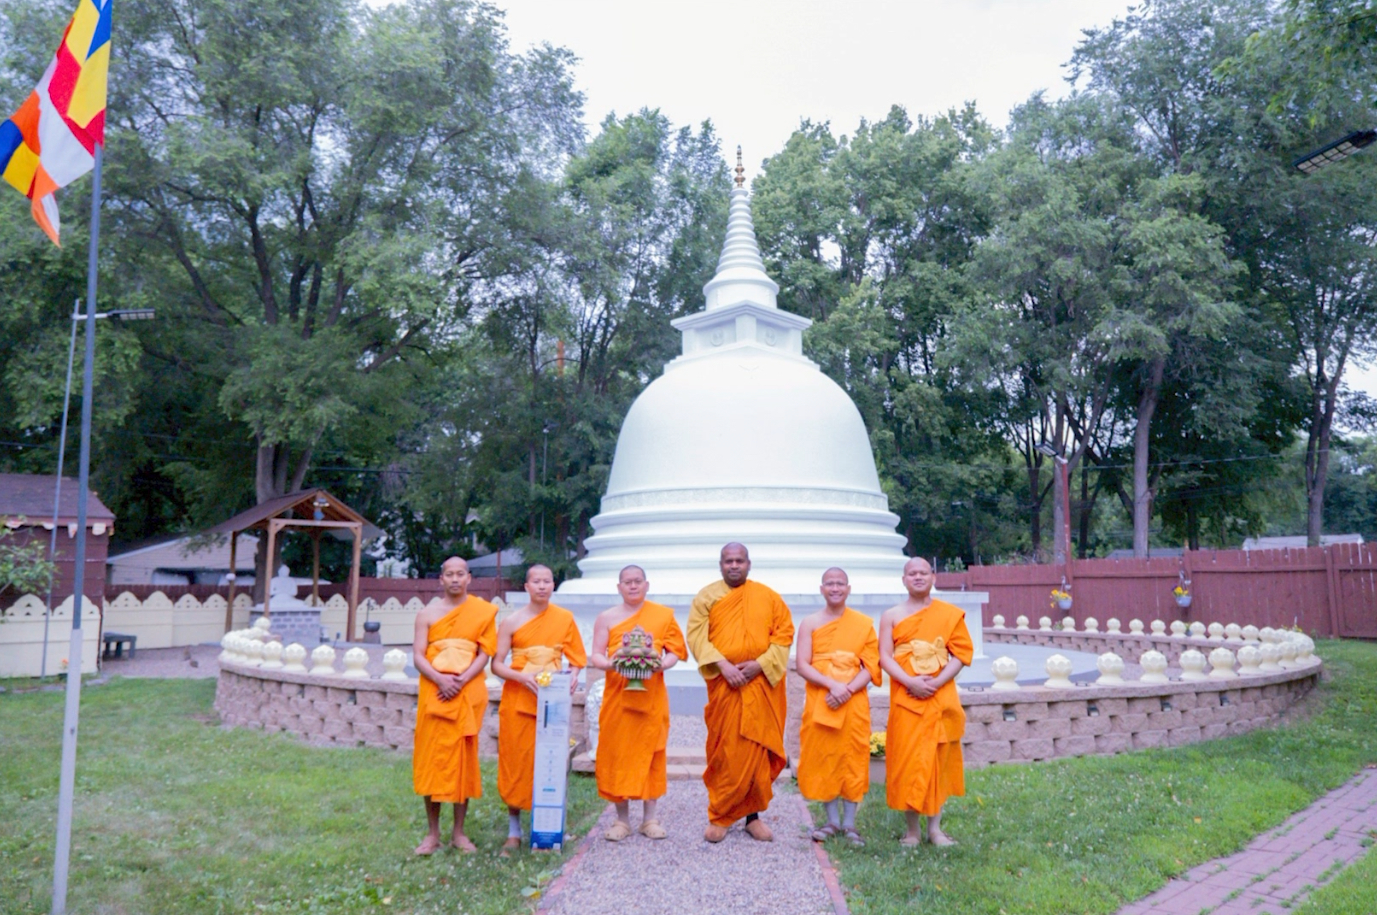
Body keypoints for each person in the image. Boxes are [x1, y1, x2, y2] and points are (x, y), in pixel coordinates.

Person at [686, 542, 795, 843]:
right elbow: (696, 637)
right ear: (720, 565)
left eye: (740, 561)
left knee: (757, 749)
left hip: (760, 684)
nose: (734, 566)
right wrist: (724, 666)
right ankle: (720, 815)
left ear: (749, 564)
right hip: (726, 684)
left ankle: (752, 817)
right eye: (728, 561)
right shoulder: (707, 597)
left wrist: (760, 665)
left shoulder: (768, 597)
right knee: (726, 750)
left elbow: (784, 634)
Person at [491, 563, 587, 856]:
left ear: (553, 585)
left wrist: (572, 676)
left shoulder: (564, 618)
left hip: (553, 700)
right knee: (516, 761)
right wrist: (523, 677)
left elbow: (577, 660)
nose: (542, 586)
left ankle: (551, 824)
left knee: (553, 762)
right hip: (520, 698)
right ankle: (514, 829)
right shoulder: (511, 622)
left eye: (547, 581)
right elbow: (496, 664)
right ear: (527, 587)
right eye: (536, 581)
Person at [587, 565, 687, 841]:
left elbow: (675, 651)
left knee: (652, 753)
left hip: (651, 697)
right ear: (619, 587)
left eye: (637, 582)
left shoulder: (663, 615)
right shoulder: (606, 617)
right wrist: (612, 664)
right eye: (627, 582)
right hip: (618, 696)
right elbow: (595, 654)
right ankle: (621, 820)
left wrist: (659, 665)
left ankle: (649, 819)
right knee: (617, 753)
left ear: (646, 585)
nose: (632, 586)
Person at [878, 557, 973, 847]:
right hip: (907, 697)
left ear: (933, 577)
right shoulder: (891, 615)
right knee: (908, 760)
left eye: (923, 573)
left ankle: (935, 829)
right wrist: (911, 682)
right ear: (904, 580)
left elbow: (960, 654)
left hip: (940, 696)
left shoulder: (949, 614)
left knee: (938, 759)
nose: (918, 577)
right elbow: (884, 657)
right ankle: (912, 831)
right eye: (912, 574)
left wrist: (937, 681)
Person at [411, 556, 499, 855]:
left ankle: (458, 833)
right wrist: (440, 679)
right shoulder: (427, 614)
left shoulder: (482, 612)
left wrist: (459, 681)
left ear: (469, 578)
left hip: (466, 690)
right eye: (449, 574)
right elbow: (419, 656)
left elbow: (484, 654)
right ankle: (432, 834)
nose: (455, 579)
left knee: (462, 760)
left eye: (460, 574)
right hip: (434, 691)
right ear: (441, 578)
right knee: (432, 759)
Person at [795, 567, 880, 847]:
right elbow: (803, 664)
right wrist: (832, 686)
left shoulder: (863, 624)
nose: (835, 588)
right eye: (829, 584)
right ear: (821, 589)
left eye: (840, 583)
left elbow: (871, 665)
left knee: (852, 756)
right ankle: (831, 821)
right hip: (823, 698)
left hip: (853, 700)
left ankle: (850, 824)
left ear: (848, 588)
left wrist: (847, 689)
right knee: (825, 757)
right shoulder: (809, 623)